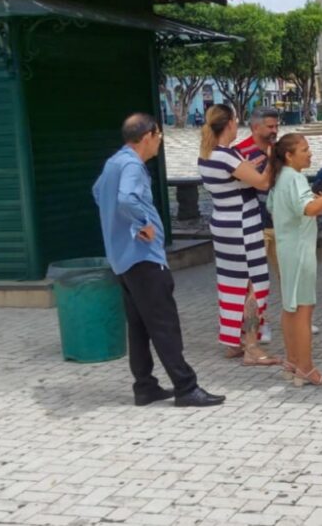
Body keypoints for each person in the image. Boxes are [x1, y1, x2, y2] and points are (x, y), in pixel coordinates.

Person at [92, 113, 224, 407]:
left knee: (139, 326)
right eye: (159, 135)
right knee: (164, 324)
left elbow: (99, 193)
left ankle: (145, 386)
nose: (161, 141)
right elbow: (127, 199)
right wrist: (141, 224)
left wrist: (117, 224)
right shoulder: (132, 166)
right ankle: (186, 387)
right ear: (149, 135)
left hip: (121, 258)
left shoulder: (114, 162)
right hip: (144, 259)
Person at [196, 103, 280, 366]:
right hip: (243, 225)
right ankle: (252, 346)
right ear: (230, 123)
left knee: (231, 284)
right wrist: (271, 157)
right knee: (254, 285)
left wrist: (252, 165)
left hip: (223, 223)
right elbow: (264, 183)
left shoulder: (208, 154)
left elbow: (234, 180)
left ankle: (233, 340)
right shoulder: (227, 156)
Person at [266, 134, 322, 386]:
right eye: (304, 149)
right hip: (300, 251)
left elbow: (277, 206)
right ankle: (306, 367)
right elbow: (309, 209)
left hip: (286, 248)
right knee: (303, 309)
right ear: (289, 156)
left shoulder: (280, 178)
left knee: (290, 307)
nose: (310, 154)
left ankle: (292, 361)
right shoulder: (295, 178)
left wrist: (313, 198)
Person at [233, 106, 282, 343]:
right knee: (255, 279)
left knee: (288, 273)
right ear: (255, 127)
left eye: (276, 126)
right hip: (254, 222)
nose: (275, 130)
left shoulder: (281, 149)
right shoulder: (239, 153)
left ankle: (295, 318)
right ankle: (261, 324)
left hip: (280, 220)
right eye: (270, 126)